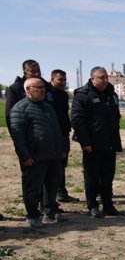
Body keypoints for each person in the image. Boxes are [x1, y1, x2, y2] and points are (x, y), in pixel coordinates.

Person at [8, 78, 66, 228]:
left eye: (43, 87)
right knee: (32, 187)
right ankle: (32, 215)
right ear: (28, 90)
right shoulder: (20, 109)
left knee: (52, 186)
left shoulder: (48, 107)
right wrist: (25, 156)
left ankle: (49, 211)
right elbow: (18, 136)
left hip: (53, 155)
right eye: (38, 87)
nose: (42, 90)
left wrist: (61, 150)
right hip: (35, 157)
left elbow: (56, 130)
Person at [72, 66, 124, 218]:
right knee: (92, 177)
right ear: (93, 78)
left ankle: (108, 205)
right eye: (101, 77)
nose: (105, 80)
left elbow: (116, 118)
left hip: (109, 143)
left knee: (108, 177)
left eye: (106, 77)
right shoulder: (83, 95)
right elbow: (77, 121)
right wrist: (85, 142)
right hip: (92, 145)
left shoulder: (111, 95)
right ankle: (92, 205)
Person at [49, 69, 77, 203]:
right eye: (60, 80)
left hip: (63, 135)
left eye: (64, 80)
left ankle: (61, 192)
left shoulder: (64, 95)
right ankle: (49, 198)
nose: (63, 82)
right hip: (51, 136)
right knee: (52, 167)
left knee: (61, 165)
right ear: (52, 79)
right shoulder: (47, 94)